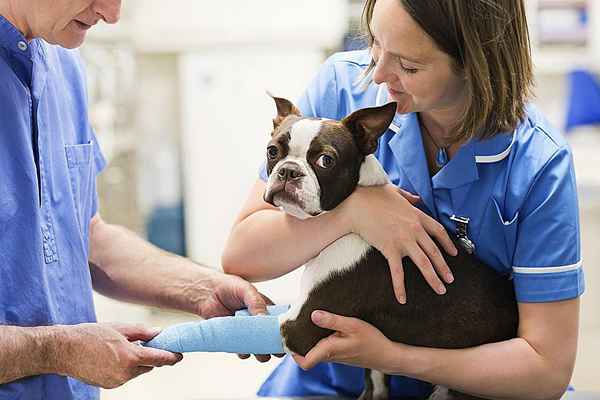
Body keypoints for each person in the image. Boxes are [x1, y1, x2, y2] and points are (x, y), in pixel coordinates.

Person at [222, 0, 584, 398]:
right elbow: (243, 255)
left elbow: (545, 369)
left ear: (474, 63)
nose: (377, 74)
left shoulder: (537, 164)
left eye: (408, 65)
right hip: (328, 376)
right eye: (375, 42)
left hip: (476, 383)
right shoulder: (345, 86)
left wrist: (392, 356)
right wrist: (355, 213)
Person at [0, 0, 273, 399]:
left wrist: (202, 289)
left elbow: (85, 235)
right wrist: (54, 350)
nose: (112, 14)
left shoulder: (61, 63)